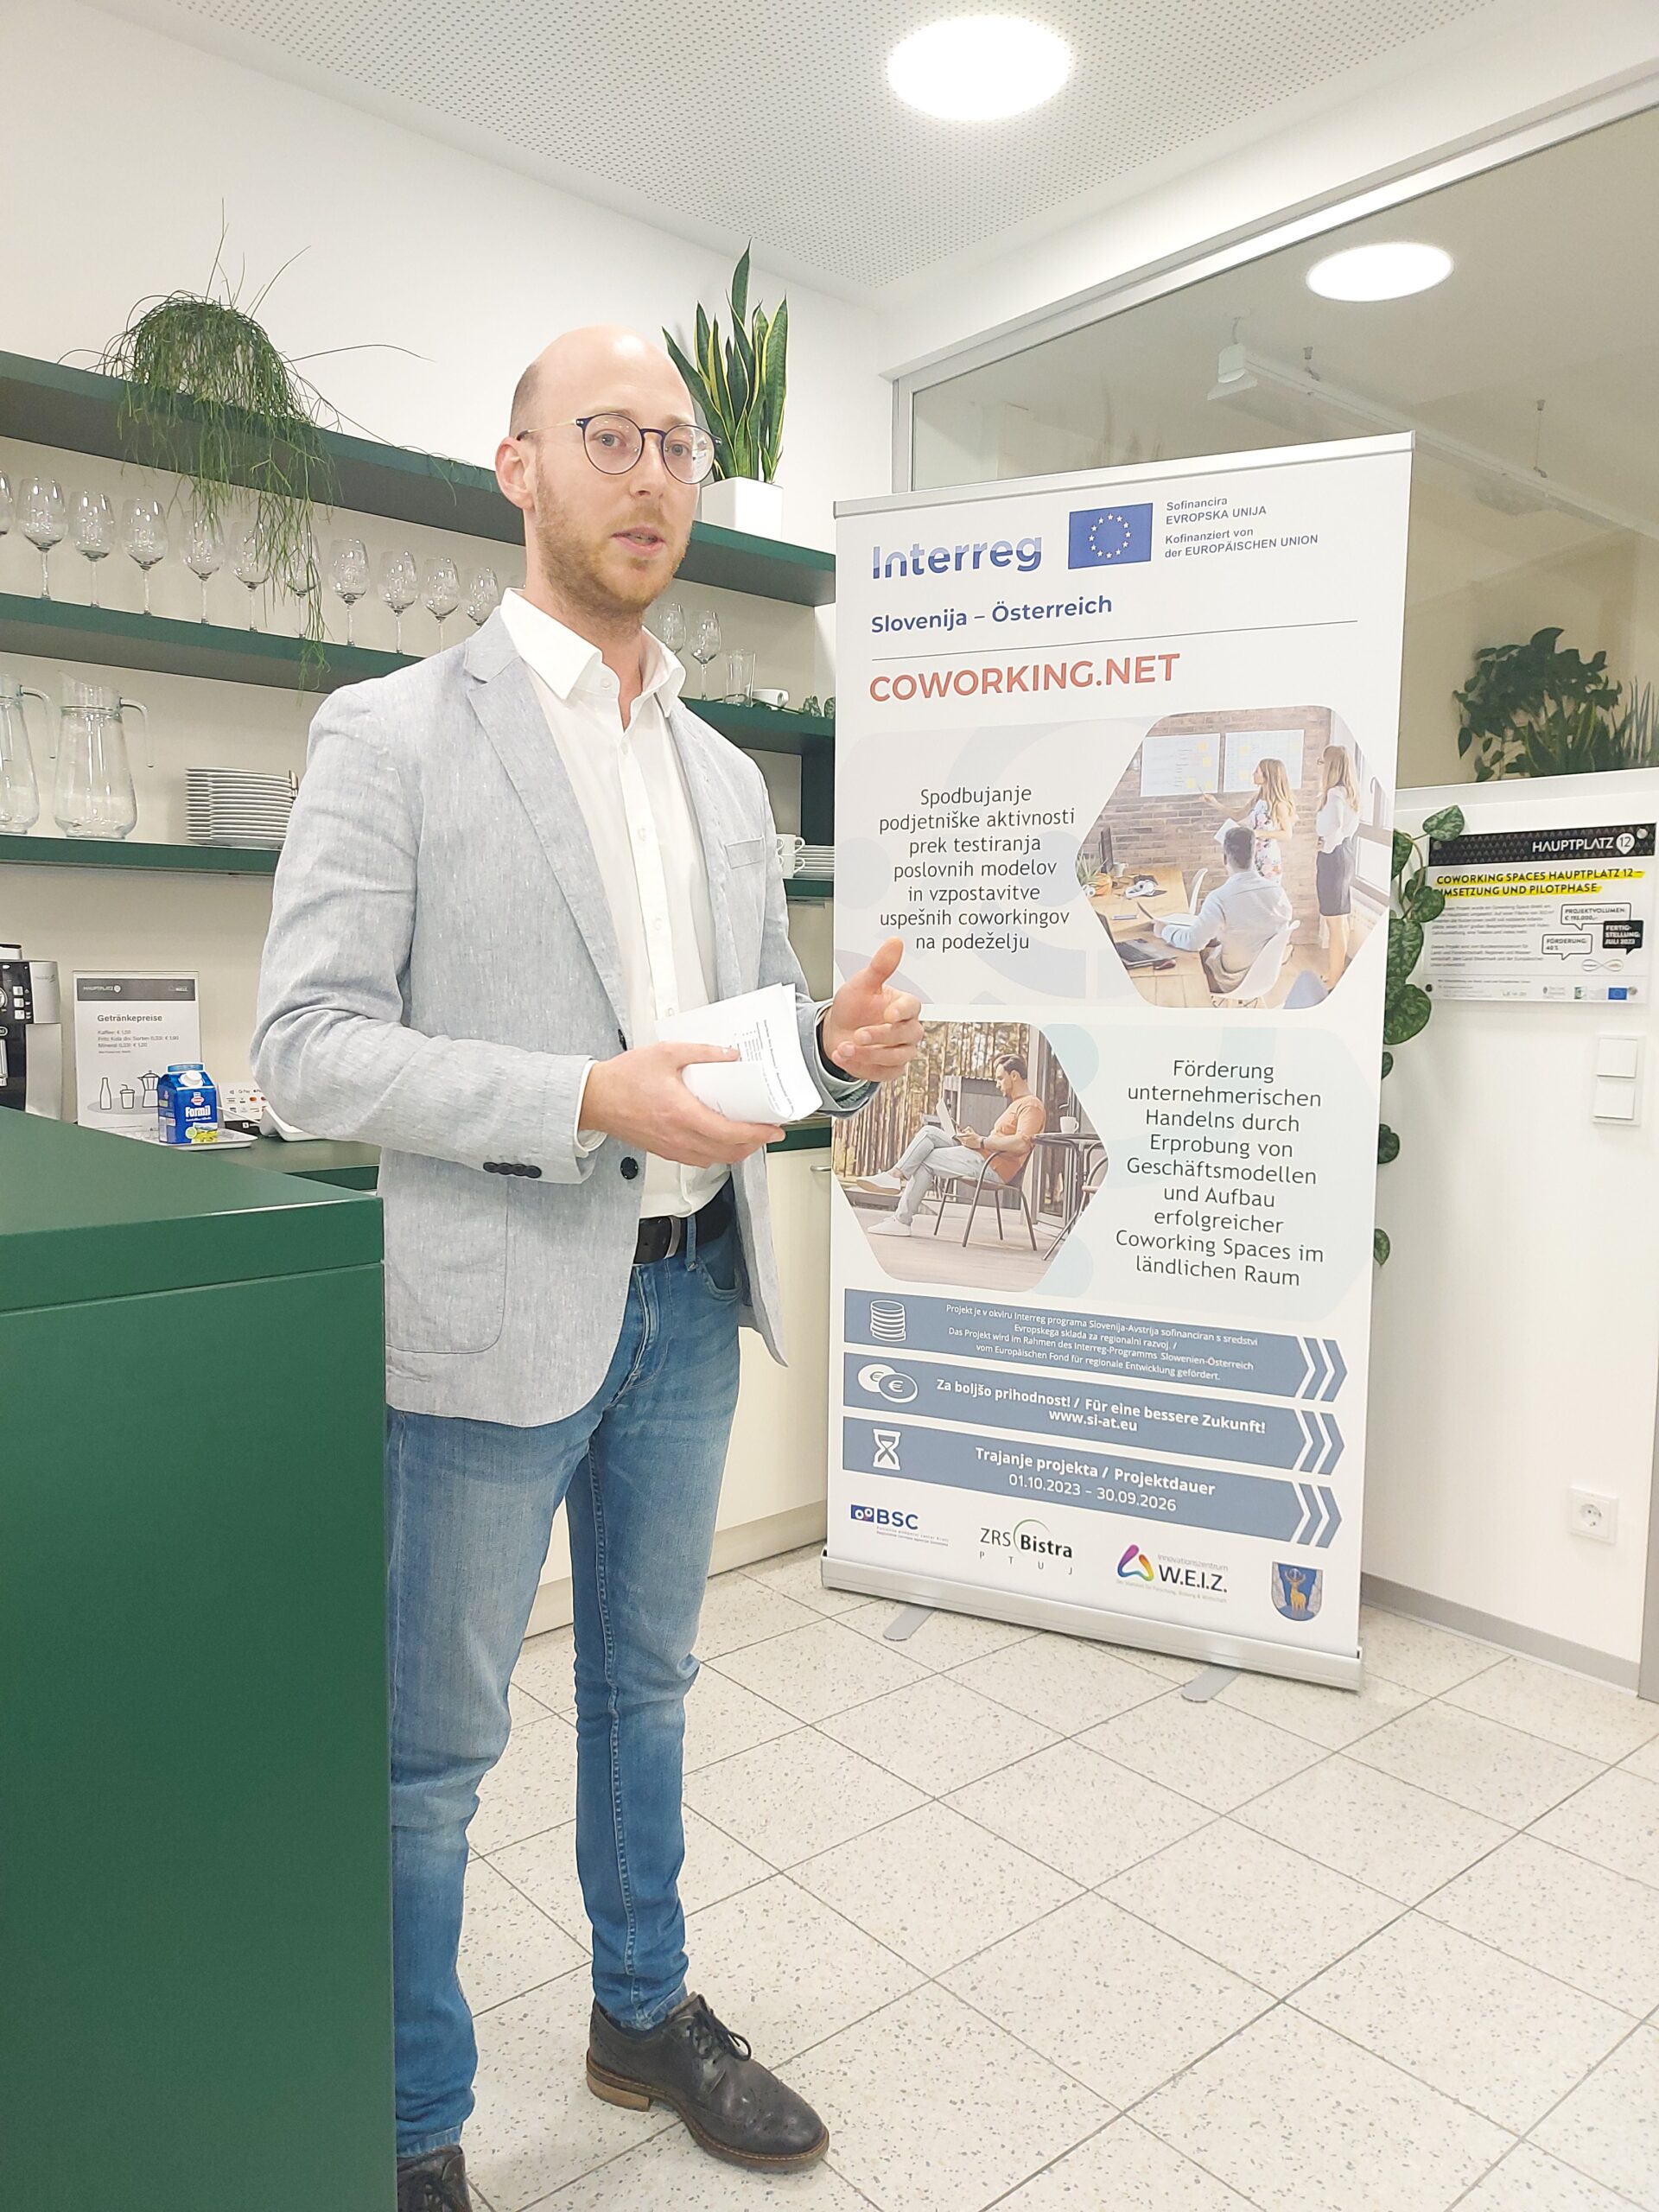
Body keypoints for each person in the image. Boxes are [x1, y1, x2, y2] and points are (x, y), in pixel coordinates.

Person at [251, 325, 923, 2212]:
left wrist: (826, 1051)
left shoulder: (719, 771)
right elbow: (306, 1044)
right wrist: (577, 1094)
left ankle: (644, 2012)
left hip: (687, 1292)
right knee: (431, 1755)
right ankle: (410, 2118)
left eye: (679, 447)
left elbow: (738, 1033)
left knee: (648, 1687)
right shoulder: (392, 731)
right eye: (609, 437)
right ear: (519, 468)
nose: (651, 476)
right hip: (485, 1316)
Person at [868, 1053, 1046, 1236]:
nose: (997, 1084)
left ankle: (901, 1221)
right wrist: (973, 1139)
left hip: (993, 1168)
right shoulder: (1017, 1104)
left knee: (925, 1159)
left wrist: (981, 1141)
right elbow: (1001, 1140)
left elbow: (1022, 1144)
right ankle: (894, 1175)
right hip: (983, 1156)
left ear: (1014, 1075)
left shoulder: (1031, 1106)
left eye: (1000, 1078)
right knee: (929, 1133)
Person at [1159, 823, 1294, 996]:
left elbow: (1193, 942)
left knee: (1183, 958)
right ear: (1255, 854)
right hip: (1265, 977)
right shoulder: (1278, 892)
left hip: (1230, 981)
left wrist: (1164, 930)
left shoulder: (1219, 898)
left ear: (1225, 858)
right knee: (1210, 946)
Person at [1315, 742, 1363, 986]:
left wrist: (1325, 845)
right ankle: (1336, 972)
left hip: (1333, 858)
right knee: (1340, 920)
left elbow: (1334, 826)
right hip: (1345, 855)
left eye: (1321, 762)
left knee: (1334, 922)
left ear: (1331, 766)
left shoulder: (1334, 794)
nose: (1319, 766)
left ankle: (1334, 979)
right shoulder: (1349, 793)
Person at [1208, 754, 1295, 880]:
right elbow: (1237, 815)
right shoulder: (1257, 799)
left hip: (1267, 857)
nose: (1253, 774)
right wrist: (1215, 803)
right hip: (1251, 854)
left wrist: (1259, 833)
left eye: (1257, 771)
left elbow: (1287, 834)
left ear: (1267, 776)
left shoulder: (1279, 804)